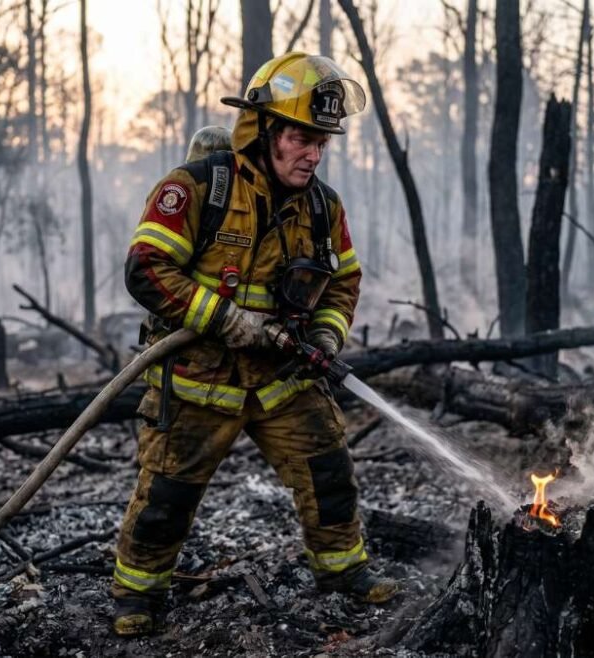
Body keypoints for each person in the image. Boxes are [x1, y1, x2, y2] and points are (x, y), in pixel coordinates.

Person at [112, 52, 397, 638]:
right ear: (263, 130)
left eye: (322, 141)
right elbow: (147, 268)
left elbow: (342, 281)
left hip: (283, 377)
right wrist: (224, 319)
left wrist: (323, 334)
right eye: (301, 138)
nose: (313, 153)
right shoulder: (198, 188)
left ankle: (343, 572)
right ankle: (136, 594)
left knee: (329, 474)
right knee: (166, 497)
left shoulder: (323, 207)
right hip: (198, 379)